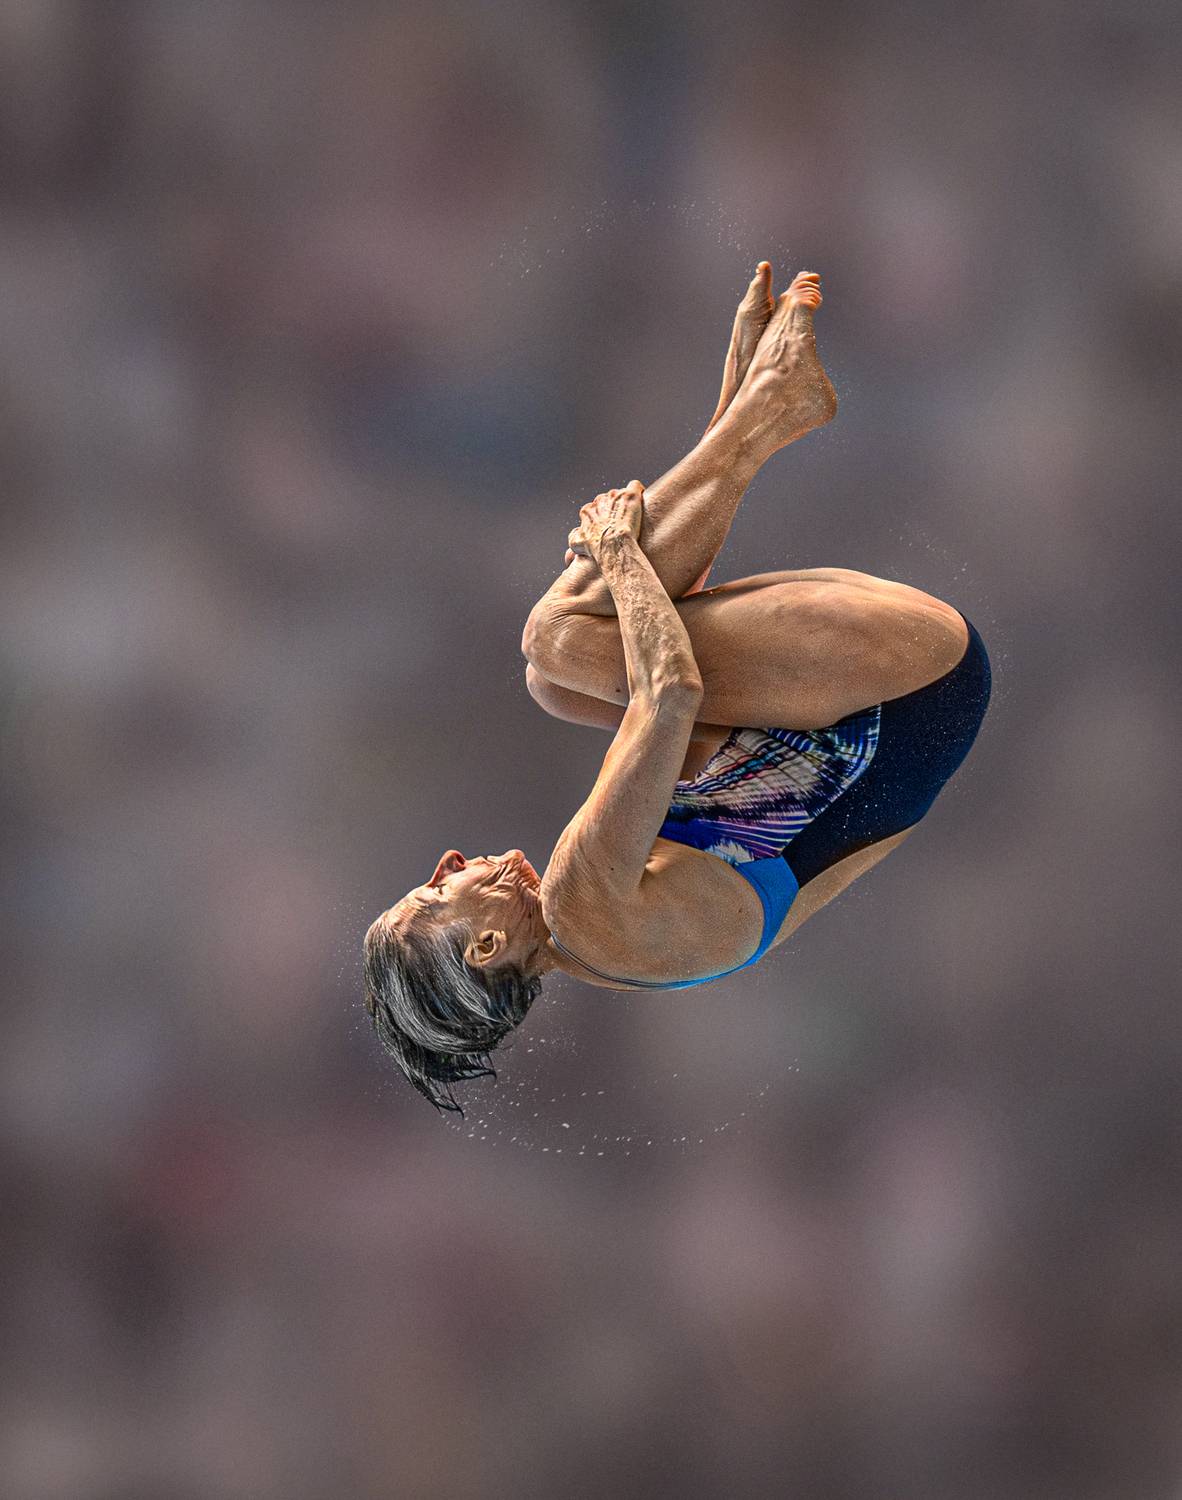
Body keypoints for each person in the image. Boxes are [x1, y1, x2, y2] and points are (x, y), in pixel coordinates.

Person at [363, 263, 992, 1113]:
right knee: (557, 638)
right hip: (905, 691)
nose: (445, 865)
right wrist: (617, 549)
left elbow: (680, 648)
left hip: (905, 712)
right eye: (435, 893)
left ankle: (750, 411)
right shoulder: (583, 899)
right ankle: (767, 413)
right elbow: (673, 689)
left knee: (556, 681)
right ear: (482, 946)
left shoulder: (606, 950)